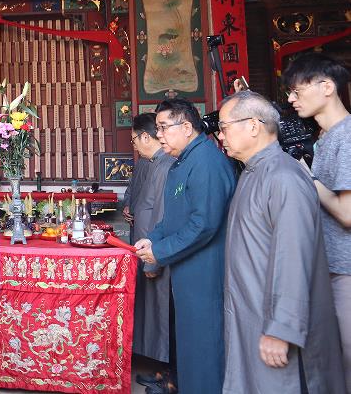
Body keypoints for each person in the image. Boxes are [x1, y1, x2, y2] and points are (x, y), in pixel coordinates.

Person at [217, 90, 345, 393]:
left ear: (253, 126)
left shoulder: (283, 177)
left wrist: (282, 329)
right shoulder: (253, 172)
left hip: (274, 324)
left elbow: (294, 258)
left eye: (224, 127)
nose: (220, 136)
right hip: (252, 312)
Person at [134, 98, 236, 394]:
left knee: (204, 346)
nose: (159, 135)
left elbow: (204, 224)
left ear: (187, 127)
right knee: (189, 343)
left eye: (164, 127)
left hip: (204, 271)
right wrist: (153, 238)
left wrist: (160, 251)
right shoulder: (184, 161)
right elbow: (173, 218)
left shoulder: (206, 162)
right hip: (185, 269)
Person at [283, 53, 351, 392]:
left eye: (297, 91)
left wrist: (306, 177)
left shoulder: (347, 137)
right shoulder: (326, 137)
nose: (291, 99)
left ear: (327, 87)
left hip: (347, 269)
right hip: (331, 266)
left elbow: (348, 214)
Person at [123, 113, 174, 384]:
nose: (133, 145)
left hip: (155, 252)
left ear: (145, 136)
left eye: (134, 140)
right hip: (146, 248)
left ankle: (167, 371)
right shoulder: (152, 163)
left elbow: (162, 216)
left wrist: (154, 259)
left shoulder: (165, 165)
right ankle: (159, 364)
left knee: (162, 312)